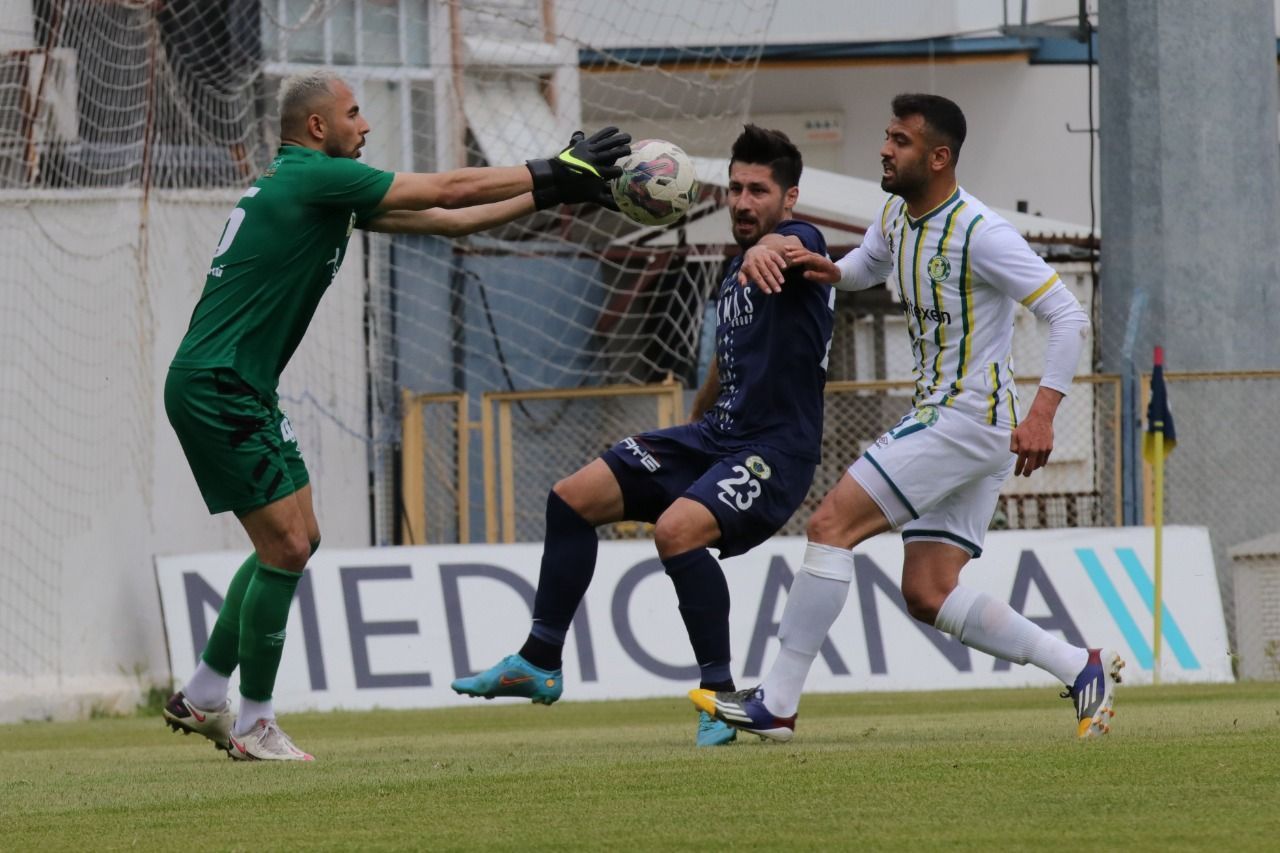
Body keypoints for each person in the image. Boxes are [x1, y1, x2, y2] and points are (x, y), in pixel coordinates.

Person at [161, 69, 630, 761]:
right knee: (285, 546)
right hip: (220, 384)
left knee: (298, 539)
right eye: (355, 113)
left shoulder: (320, 189)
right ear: (318, 128)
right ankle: (253, 722)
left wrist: (552, 189)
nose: (367, 125)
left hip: (240, 383)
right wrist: (547, 165)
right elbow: (447, 187)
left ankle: (203, 691)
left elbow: (445, 219)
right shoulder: (314, 178)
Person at [691, 93, 1124, 742]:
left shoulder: (982, 232)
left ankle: (777, 703)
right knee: (928, 591)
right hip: (962, 424)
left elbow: (1067, 315)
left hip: (967, 418)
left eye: (899, 140)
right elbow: (868, 264)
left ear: (939, 157)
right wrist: (828, 270)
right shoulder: (896, 214)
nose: (885, 149)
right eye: (888, 137)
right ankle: (1081, 666)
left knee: (831, 523)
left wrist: (1044, 412)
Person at [451, 125, 836, 747]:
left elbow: (796, 247)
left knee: (675, 531)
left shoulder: (799, 247)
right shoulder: (735, 270)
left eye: (759, 191)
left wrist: (776, 246)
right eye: (735, 188)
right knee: (573, 497)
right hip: (715, 436)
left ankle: (720, 699)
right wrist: (697, 414)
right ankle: (539, 660)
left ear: (788, 199)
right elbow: (726, 359)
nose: (743, 201)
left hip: (775, 451)